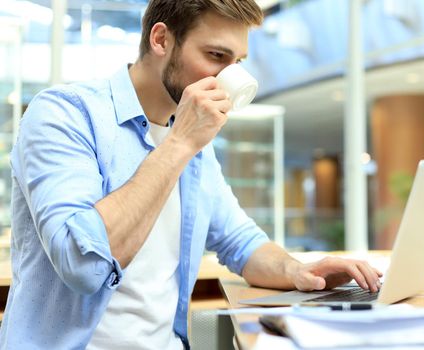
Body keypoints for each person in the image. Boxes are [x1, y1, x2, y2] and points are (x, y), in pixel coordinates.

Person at [0, 0, 382, 349]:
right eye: (216, 55)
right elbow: (82, 266)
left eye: (237, 63)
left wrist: (299, 271)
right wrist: (179, 143)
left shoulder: (192, 140)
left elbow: (240, 242)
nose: (228, 76)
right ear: (161, 39)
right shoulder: (64, 115)